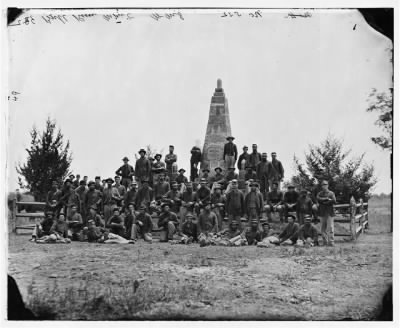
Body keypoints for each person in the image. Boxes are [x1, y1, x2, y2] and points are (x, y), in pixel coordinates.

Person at [316, 180, 336, 246]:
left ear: (328, 185)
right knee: (322, 228)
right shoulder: (320, 193)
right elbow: (318, 198)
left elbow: (334, 201)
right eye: (323, 185)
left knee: (330, 227)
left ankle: (331, 241)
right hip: (322, 212)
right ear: (321, 186)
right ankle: (325, 241)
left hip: (330, 212)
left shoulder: (331, 193)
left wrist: (324, 202)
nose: (324, 186)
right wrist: (326, 199)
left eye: (325, 184)